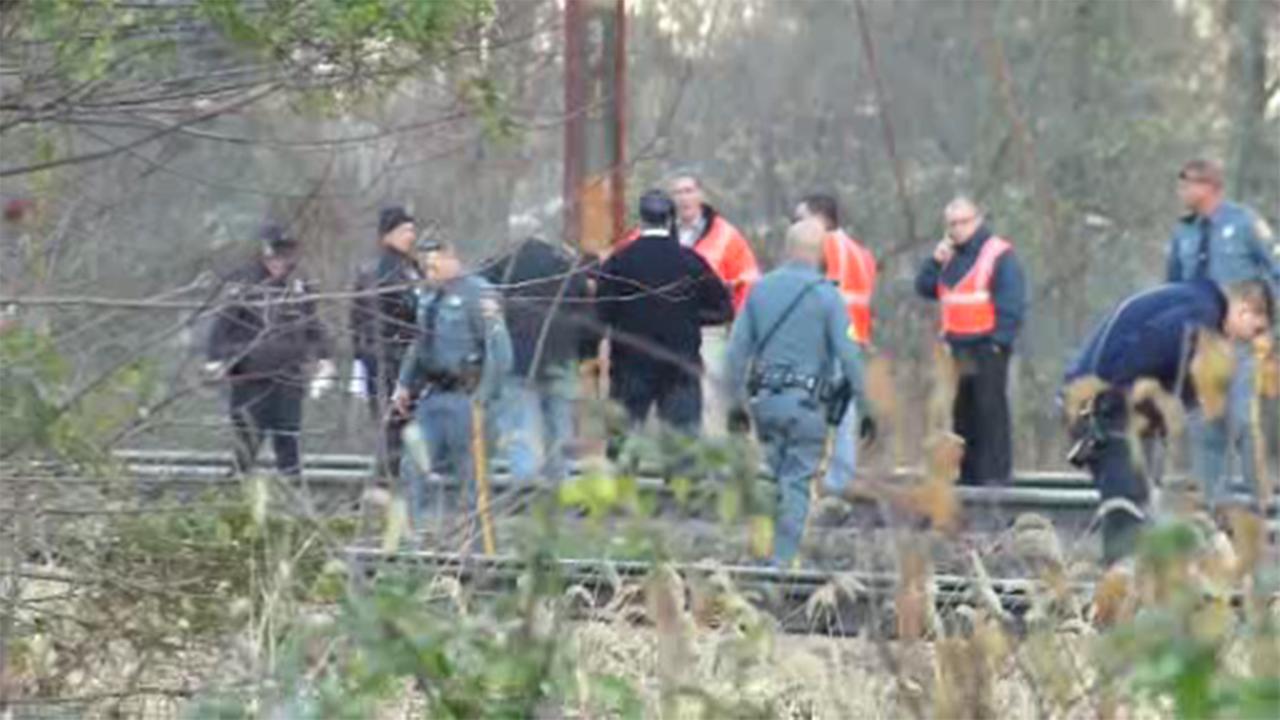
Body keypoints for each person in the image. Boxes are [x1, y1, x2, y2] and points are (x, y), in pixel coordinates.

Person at [1063, 279, 1273, 564]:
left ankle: (1136, 585)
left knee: (1143, 506)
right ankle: (1123, 590)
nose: (1251, 340)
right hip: (1107, 403)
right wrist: (1116, 404)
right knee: (1127, 510)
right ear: (1245, 310)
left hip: (1112, 402)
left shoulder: (1195, 305)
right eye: (1256, 329)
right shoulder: (1199, 316)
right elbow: (1143, 352)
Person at [725, 219, 865, 566]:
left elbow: (735, 354)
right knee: (798, 481)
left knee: (774, 477)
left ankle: (763, 554)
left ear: (788, 249)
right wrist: (868, 406)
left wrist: (734, 405)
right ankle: (782, 565)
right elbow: (849, 357)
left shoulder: (760, 291)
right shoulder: (827, 295)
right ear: (821, 254)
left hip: (765, 403)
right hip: (807, 406)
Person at [1165, 158, 1278, 508]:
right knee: (1206, 429)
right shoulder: (1184, 232)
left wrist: (1271, 329)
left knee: (1246, 423)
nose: (1183, 190)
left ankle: (1263, 508)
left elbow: (1275, 272)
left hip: (1243, 343)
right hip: (1202, 344)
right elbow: (1173, 286)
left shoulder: (1244, 224)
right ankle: (1215, 510)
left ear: (1210, 186)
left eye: (1189, 183)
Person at [596, 190, 732, 448]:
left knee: (623, 444)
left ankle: (624, 486)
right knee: (683, 450)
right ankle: (680, 486)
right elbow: (723, 310)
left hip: (630, 366)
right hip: (680, 366)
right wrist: (690, 317)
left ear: (641, 220)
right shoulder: (691, 262)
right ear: (671, 221)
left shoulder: (619, 262)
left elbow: (602, 313)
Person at [392, 240, 511, 531]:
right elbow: (419, 343)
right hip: (433, 397)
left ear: (450, 259)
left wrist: (485, 395)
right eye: (424, 267)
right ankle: (414, 536)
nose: (428, 272)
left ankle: (477, 546)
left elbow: (500, 350)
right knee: (412, 467)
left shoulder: (478, 293)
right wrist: (404, 384)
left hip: (466, 398)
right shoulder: (427, 296)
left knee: (471, 478)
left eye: (433, 266)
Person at [206, 224, 334, 477]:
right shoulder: (243, 283)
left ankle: (294, 494)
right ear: (265, 253)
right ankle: (233, 496)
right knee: (247, 442)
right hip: (251, 379)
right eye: (277, 254)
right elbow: (222, 325)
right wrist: (216, 359)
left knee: (288, 440)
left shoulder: (299, 286)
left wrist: (324, 357)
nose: (281, 262)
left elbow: (313, 324)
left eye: (286, 255)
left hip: (289, 378)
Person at [915, 197, 1027, 485]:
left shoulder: (998, 253)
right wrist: (934, 261)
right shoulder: (949, 257)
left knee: (990, 414)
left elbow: (1011, 301)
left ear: (977, 220)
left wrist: (999, 341)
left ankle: (995, 479)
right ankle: (970, 477)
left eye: (962, 222)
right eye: (951, 224)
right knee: (963, 416)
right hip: (958, 348)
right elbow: (926, 287)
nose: (957, 229)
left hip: (988, 347)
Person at [483, 235, 595, 484]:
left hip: (518, 357)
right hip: (561, 358)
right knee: (560, 426)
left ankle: (525, 488)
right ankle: (562, 485)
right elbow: (588, 319)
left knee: (521, 428)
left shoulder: (503, 265)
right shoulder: (569, 267)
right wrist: (586, 354)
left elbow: (481, 293)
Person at [794, 193, 877, 495]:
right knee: (845, 413)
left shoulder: (821, 249)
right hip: (854, 340)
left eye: (801, 219)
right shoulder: (861, 254)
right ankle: (840, 478)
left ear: (819, 219)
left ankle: (814, 480)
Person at [669, 171, 761, 436]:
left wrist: (742, 327)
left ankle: (713, 458)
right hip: (670, 330)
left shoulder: (726, 235)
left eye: (689, 190)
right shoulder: (662, 233)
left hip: (710, 329)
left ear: (701, 195)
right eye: (678, 192)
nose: (684, 198)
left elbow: (748, 279)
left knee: (710, 396)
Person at [350, 206, 422, 480]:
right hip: (386, 359)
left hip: (406, 357)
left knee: (403, 429)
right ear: (388, 234)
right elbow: (361, 318)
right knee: (391, 426)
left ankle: (391, 484)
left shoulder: (411, 266)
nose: (411, 236)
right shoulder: (379, 270)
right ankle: (383, 487)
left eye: (412, 230)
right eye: (405, 230)